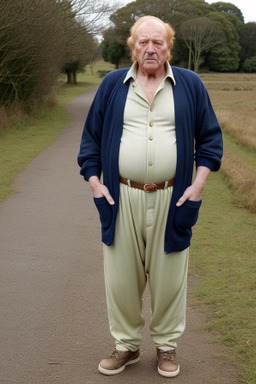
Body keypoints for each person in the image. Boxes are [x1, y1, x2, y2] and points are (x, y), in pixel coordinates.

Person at [77, 15, 223, 378]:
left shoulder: (190, 84)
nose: (151, 48)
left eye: (158, 42)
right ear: (133, 46)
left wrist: (198, 185)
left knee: (169, 278)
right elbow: (90, 142)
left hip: (174, 198)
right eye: (143, 42)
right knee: (121, 278)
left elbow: (210, 141)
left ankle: (166, 346)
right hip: (120, 196)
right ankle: (126, 346)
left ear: (168, 46)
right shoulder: (113, 85)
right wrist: (96, 184)